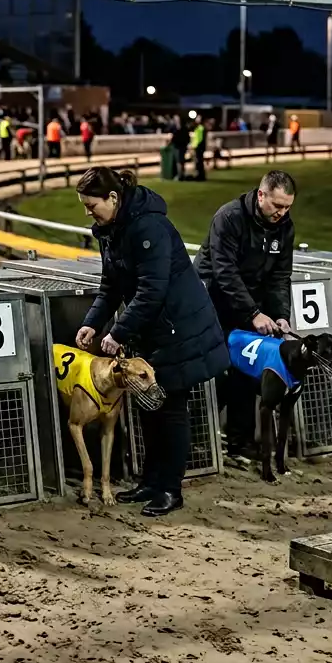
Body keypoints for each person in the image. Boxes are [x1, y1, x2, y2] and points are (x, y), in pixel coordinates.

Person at [74, 167, 229, 517]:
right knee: (150, 407)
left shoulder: (149, 227)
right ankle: (151, 482)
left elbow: (151, 290)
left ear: (113, 198)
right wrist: (92, 324)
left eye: (91, 205)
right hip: (154, 330)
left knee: (171, 409)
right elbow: (111, 285)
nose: (87, 212)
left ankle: (170, 489)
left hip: (180, 329)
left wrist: (117, 333)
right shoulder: (110, 230)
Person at [196, 170, 296, 458]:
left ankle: (239, 442)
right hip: (212, 300)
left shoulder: (284, 226)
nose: (282, 213)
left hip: (248, 303)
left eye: (287, 207)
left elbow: (280, 276)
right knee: (217, 370)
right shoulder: (228, 217)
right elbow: (224, 272)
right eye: (277, 205)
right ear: (261, 195)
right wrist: (254, 313)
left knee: (247, 368)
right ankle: (199, 436)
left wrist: (280, 315)